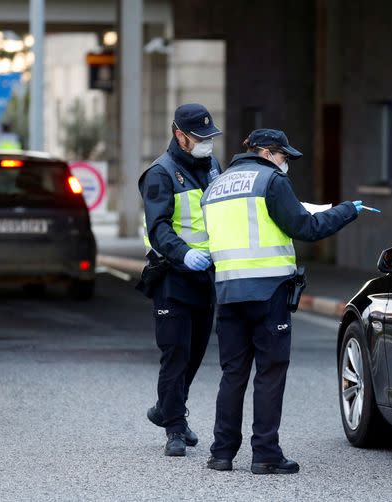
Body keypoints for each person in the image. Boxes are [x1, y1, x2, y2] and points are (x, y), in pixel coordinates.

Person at [201, 128, 365, 474]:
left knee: (233, 374)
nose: (285, 163)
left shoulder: (215, 187)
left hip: (229, 292)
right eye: (283, 156)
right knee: (270, 373)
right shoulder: (271, 182)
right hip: (268, 292)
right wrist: (348, 211)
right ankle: (265, 454)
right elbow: (305, 227)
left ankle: (221, 452)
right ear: (265, 152)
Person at [137, 103, 223, 457]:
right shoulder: (160, 173)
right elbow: (158, 229)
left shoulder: (214, 167)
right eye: (199, 138)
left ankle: (166, 407)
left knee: (196, 353)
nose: (207, 143)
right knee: (176, 352)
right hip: (172, 274)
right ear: (179, 136)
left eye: (210, 136)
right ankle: (174, 427)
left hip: (207, 275)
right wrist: (184, 253)